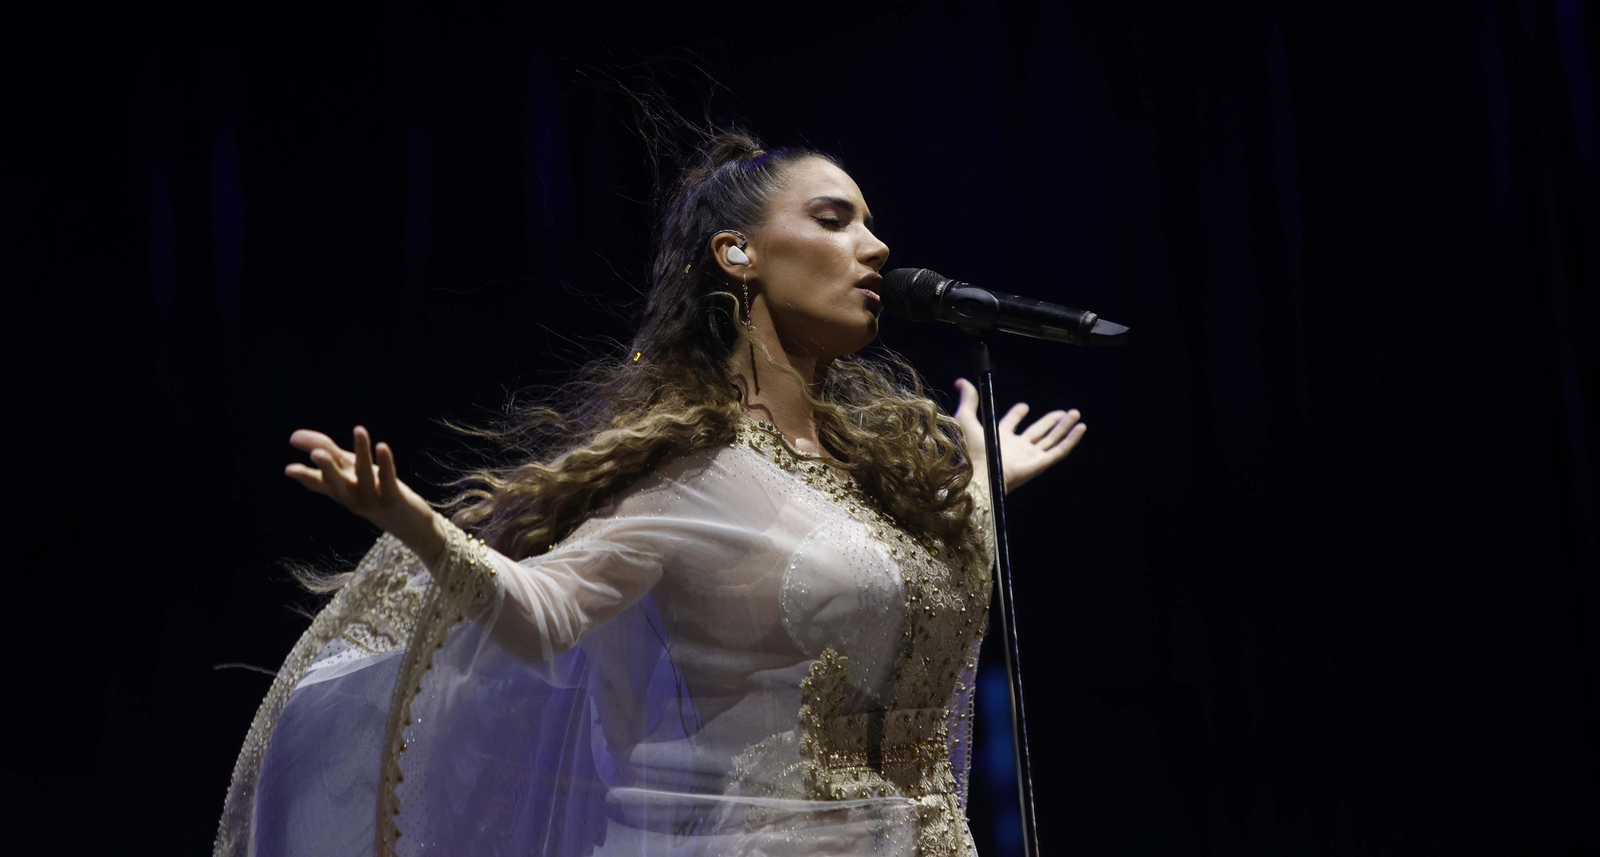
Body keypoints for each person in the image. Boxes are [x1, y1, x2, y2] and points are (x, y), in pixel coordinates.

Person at [214, 131, 1087, 857]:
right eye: (835, 219)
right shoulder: (689, 475)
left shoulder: (868, 480)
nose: (877, 247)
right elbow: (541, 613)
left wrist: (979, 483)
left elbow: (923, 612)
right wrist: (409, 519)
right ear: (737, 253)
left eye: (871, 224)